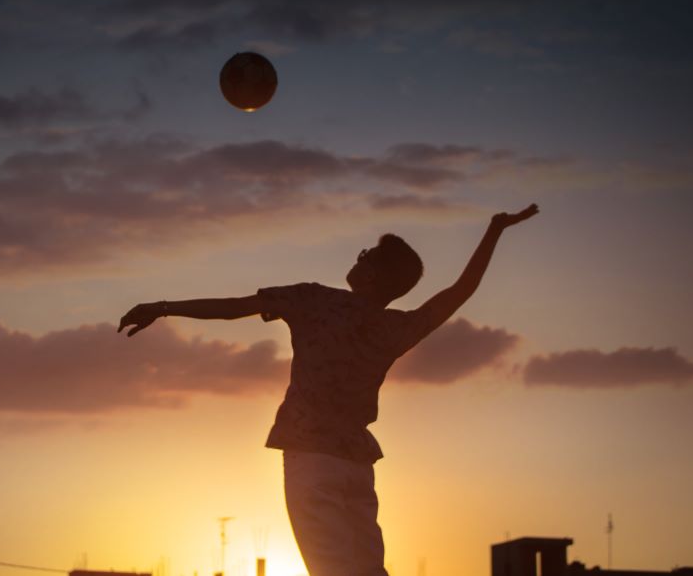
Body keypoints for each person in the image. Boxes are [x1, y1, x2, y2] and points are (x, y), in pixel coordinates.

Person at [118, 204, 539, 576]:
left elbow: (234, 308)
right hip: (357, 468)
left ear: (372, 274)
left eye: (366, 255)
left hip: (312, 459)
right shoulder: (397, 327)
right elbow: (460, 291)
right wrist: (494, 232)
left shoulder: (312, 299)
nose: (359, 257)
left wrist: (164, 306)